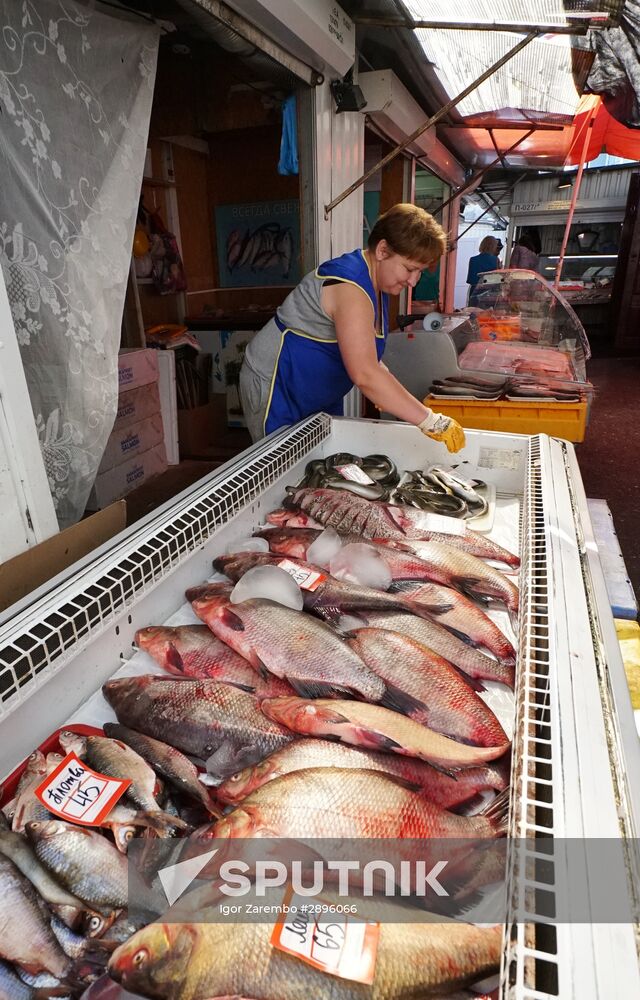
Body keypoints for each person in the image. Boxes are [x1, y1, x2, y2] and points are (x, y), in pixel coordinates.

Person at [239, 203, 465, 452]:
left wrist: (388, 392)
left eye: (419, 272)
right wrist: (430, 420)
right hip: (279, 385)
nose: (413, 281)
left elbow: (369, 359)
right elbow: (365, 373)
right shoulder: (350, 288)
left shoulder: (377, 284)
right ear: (382, 250)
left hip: (316, 387)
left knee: (321, 460)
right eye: (410, 269)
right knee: (279, 466)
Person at [466, 236, 499, 306]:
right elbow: (497, 280)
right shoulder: (496, 260)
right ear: (493, 247)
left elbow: (470, 280)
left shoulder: (473, 259)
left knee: (474, 313)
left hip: (475, 291)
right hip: (490, 292)